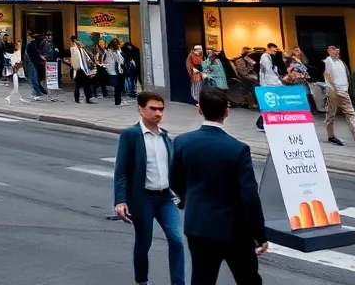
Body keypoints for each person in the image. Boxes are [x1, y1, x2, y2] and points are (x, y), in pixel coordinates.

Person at [171, 87, 267, 285]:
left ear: (199, 110)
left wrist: (189, 198)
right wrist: (260, 234)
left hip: (198, 225)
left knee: (202, 278)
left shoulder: (182, 142)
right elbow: (249, 197)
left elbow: (174, 179)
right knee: (248, 279)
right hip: (234, 230)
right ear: (227, 111)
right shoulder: (237, 149)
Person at [113, 91, 185, 285]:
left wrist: (182, 194)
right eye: (153, 108)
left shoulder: (166, 137)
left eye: (161, 109)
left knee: (177, 239)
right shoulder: (131, 135)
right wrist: (120, 200)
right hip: (142, 199)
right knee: (144, 242)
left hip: (165, 199)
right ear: (141, 109)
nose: (158, 113)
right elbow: (121, 171)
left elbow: (174, 171)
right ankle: (142, 281)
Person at [323, 45, 355, 147]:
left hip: (342, 91)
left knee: (338, 113)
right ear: (329, 51)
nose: (337, 52)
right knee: (343, 113)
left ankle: (333, 136)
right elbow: (328, 76)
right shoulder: (328, 61)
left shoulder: (341, 62)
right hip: (336, 91)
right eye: (334, 50)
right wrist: (335, 89)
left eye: (338, 50)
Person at [255, 42, 283, 129]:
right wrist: (278, 82)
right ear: (270, 48)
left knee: (269, 104)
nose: (275, 51)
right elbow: (268, 72)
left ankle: (263, 122)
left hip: (269, 83)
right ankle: (262, 122)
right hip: (268, 84)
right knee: (269, 104)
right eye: (274, 50)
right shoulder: (265, 58)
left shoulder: (267, 57)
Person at [70, 36, 96, 103]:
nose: (77, 41)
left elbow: (87, 55)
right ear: (73, 41)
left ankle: (88, 98)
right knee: (78, 85)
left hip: (84, 69)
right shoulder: (73, 48)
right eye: (76, 40)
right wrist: (76, 68)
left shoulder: (82, 48)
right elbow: (74, 59)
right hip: (78, 69)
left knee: (86, 84)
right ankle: (77, 98)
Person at [24, 31, 48, 100]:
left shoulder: (31, 44)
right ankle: (39, 92)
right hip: (35, 62)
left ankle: (38, 92)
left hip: (32, 62)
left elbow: (35, 53)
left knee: (33, 79)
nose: (27, 38)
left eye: (28, 37)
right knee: (35, 78)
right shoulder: (34, 44)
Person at [105, 39, 125, 105]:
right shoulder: (110, 52)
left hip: (118, 70)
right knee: (117, 86)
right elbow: (109, 62)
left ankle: (118, 100)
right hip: (115, 71)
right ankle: (117, 101)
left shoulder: (117, 51)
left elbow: (121, 60)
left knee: (118, 86)